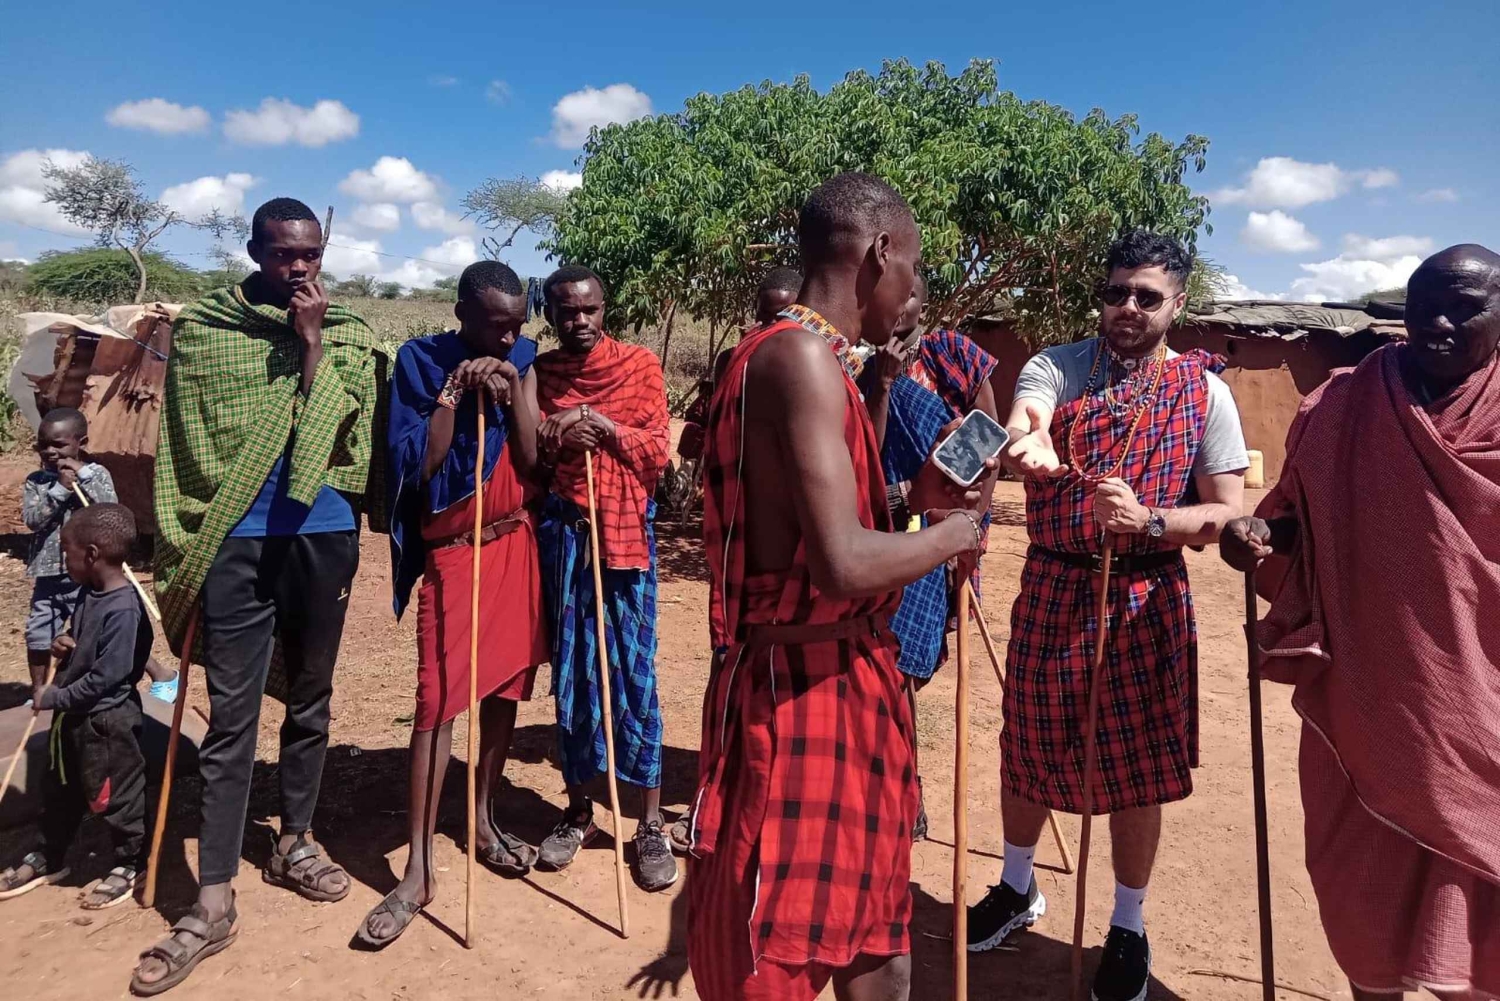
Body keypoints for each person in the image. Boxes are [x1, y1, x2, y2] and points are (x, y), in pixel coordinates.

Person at [686, 171, 988, 1001]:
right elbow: (843, 565)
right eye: (913, 266)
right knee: (776, 950)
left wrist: (916, 501)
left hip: (844, 679)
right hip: (799, 693)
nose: (915, 291)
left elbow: (820, 527)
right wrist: (955, 533)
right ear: (880, 252)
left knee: (878, 940)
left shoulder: (811, 360)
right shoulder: (797, 358)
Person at [967, 230, 1247, 1001]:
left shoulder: (1204, 394)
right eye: (1116, 291)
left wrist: (1150, 519)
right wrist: (1028, 435)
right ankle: (1017, 885)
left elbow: (1228, 512)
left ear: (1177, 304)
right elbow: (1028, 412)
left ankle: (1127, 924)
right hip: (1055, 587)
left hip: (1147, 598)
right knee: (1026, 743)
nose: (1127, 307)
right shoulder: (1059, 364)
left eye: (1146, 296)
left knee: (1137, 770)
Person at [1220, 244, 1500, 1001]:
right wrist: (1258, 534)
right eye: (1425, 305)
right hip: (1361, 697)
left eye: (1465, 308)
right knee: (1362, 904)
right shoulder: (1347, 402)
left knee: (1473, 908)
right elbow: (1297, 517)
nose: (1439, 324)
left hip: (1477, 712)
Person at [136, 197, 386, 994]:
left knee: (312, 695)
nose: (299, 267)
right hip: (233, 536)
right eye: (283, 254)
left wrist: (310, 342)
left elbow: (341, 425)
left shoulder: (344, 332)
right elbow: (187, 438)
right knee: (232, 713)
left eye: (310, 254)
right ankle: (212, 897)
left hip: (324, 528)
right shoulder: (209, 331)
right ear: (254, 251)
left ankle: (295, 839)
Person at [358, 260, 550, 947]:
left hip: (512, 541)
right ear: (462, 313)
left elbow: (531, 460)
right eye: (496, 326)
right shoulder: (419, 360)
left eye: (517, 325)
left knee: (503, 689)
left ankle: (483, 817)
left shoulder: (523, 358)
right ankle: (417, 870)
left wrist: (513, 390)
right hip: (454, 551)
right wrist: (452, 392)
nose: (509, 337)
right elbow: (420, 465)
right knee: (437, 702)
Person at [532, 265, 677, 892]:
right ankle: (579, 811)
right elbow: (532, 452)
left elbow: (658, 451)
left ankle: (650, 823)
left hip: (625, 542)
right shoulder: (541, 373)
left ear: (604, 308)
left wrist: (605, 427)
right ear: (551, 313)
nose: (580, 320)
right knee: (572, 676)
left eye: (589, 309)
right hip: (566, 538)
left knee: (634, 676)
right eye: (567, 311)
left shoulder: (640, 365)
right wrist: (562, 430)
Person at [860, 274, 1000, 839]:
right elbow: (865, 457)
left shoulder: (954, 356)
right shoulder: (860, 367)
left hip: (938, 536)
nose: (901, 306)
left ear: (923, 302)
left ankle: (905, 786)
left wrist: (970, 528)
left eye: (912, 296)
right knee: (878, 668)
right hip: (882, 530)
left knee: (904, 672)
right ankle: (891, 785)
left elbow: (987, 448)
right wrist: (883, 384)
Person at [0, 504, 153, 910]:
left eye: (66, 552)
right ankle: (50, 855)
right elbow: (85, 644)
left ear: (91, 554)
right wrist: (65, 642)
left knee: (116, 794)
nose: (63, 560)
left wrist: (55, 697)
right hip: (74, 717)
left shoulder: (124, 608)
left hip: (107, 722)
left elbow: (108, 677)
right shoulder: (91, 593)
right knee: (60, 788)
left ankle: (130, 861)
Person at [21, 409, 177, 706]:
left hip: (89, 574)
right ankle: (39, 693)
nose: (50, 452)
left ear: (80, 443)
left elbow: (110, 509)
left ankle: (163, 675)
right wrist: (59, 489)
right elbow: (32, 520)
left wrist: (81, 477)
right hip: (49, 575)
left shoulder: (96, 474)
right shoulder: (37, 482)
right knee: (38, 634)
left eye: (59, 445)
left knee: (97, 632)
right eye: (44, 445)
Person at [678, 267, 804, 469]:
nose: (772, 324)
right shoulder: (729, 360)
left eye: (782, 317)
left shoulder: (810, 366)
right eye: (764, 314)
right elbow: (726, 421)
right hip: (738, 468)